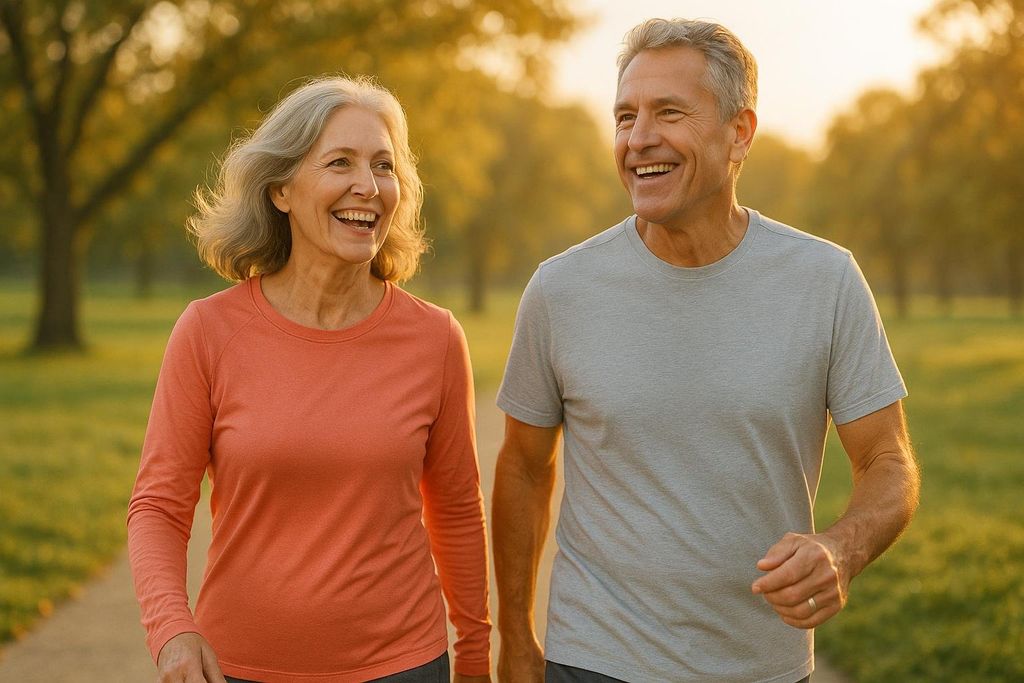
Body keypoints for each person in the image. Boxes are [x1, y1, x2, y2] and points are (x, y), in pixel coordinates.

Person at [492, 18, 920, 683]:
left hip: (763, 666)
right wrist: (516, 638)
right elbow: (522, 467)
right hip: (594, 659)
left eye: (668, 113)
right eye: (625, 116)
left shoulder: (825, 280)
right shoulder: (561, 289)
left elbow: (889, 459)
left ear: (739, 131)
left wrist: (841, 547)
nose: (638, 140)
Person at [128, 76, 492, 683]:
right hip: (238, 667)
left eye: (383, 165)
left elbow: (455, 510)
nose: (367, 186)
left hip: (402, 666)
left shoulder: (435, 339)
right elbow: (159, 507)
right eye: (339, 163)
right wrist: (172, 631)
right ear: (280, 190)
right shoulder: (208, 332)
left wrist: (476, 656)